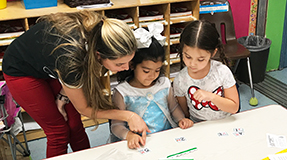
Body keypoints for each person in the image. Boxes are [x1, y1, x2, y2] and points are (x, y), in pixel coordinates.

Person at [2, 11, 150, 158]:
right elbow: (85, 108)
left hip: (52, 62)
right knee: (58, 132)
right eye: (120, 63)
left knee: (74, 126)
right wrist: (129, 116)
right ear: (98, 55)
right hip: (21, 71)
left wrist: (62, 97)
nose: (126, 68)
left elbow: (71, 75)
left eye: (129, 61)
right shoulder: (72, 57)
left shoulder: (102, 33)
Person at [110, 24, 194, 149]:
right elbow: (116, 125)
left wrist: (181, 119)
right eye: (146, 71)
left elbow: (173, 108)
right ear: (132, 65)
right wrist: (128, 135)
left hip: (166, 137)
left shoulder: (164, 84)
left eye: (157, 70)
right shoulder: (123, 92)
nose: (152, 76)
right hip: (139, 142)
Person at [173, 20, 240, 123]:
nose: (193, 64)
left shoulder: (222, 72)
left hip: (225, 122)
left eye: (200, 59)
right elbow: (184, 113)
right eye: (188, 57)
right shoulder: (180, 80)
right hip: (199, 125)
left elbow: (234, 108)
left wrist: (211, 97)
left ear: (213, 53)